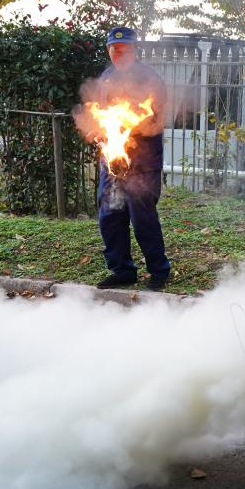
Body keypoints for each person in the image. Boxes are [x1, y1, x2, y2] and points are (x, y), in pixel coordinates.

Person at [93, 26, 171, 291]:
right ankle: (122, 271)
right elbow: (99, 114)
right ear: (108, 51)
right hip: (113, 157)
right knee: (110, 214)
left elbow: (155, 117)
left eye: (124, 48)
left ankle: (159, 271)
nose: (119, 53)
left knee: (142, 215)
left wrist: (127, 128)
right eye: (114, 49)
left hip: (143, 158)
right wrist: (101, 134)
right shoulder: (106, 78)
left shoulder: (149, 78)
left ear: (135, 50)